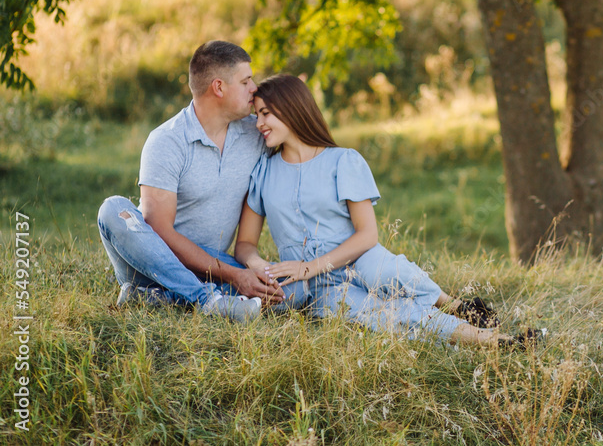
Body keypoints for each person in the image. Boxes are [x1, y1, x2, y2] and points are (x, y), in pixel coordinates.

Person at [234, 74, 536, 347]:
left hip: (358, 258)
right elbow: (245, 244)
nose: (259, 123)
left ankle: (458, 306)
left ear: (292, 109)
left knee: (385, 271)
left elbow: (367, 235)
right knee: (389, 315)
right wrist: (261, 266)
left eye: (265, 113)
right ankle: (498, 342)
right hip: (316, 286)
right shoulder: (263, 173)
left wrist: (311, 265)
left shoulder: (343, 161)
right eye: (256, 114)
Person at [97, 41, 286, 322]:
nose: (254, 88)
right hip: (150, 264)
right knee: (112, 209)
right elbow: (158, 230)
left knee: (283, 293)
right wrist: (235, 276)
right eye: (246, 81)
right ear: (219, 87)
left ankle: (155, 298)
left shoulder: (254, 133)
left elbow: (298, 137)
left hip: (212, 265)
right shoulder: (167, 141)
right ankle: (207, 300)